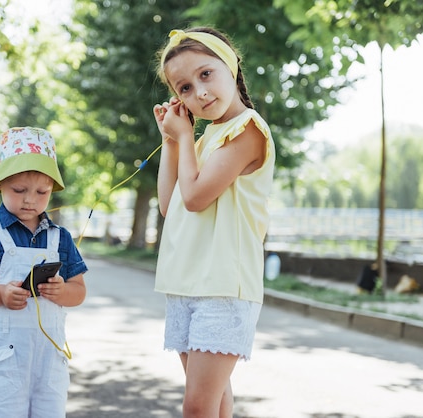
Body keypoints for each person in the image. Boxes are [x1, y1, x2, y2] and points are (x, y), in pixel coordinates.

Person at [152, 27, 276, 418]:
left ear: (232, 66)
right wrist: (172, 141)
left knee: (197, 407)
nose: (199, 92)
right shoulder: (203, 139)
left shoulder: (248, 130)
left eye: (206, 74)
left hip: (223, 285)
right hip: (187, 280)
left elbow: (195, 197)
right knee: (215, 402)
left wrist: (185, 137)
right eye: (184, 87)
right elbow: (169, 205)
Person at [0, 126, 87, 418]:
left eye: (42, 192)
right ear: (0, 185)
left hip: (48, 362)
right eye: (19, 190)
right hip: (1, 363)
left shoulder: (60, 238)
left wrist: (63, 292)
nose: (30, 200)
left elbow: (79, 290)